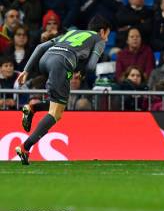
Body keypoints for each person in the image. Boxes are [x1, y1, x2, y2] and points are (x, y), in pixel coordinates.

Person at [15, 15, 112, 165]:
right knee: (56, 114)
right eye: (107, 35)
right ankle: (25, 147)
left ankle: (33, 108)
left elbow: (40, 47)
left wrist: (26, 70)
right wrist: (83, 73)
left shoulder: (72, 32)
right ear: (102, 31)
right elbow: (92, 66)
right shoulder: (98, 39)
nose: (106, 39)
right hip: (61, 63)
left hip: (45, 61)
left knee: (59, 104)